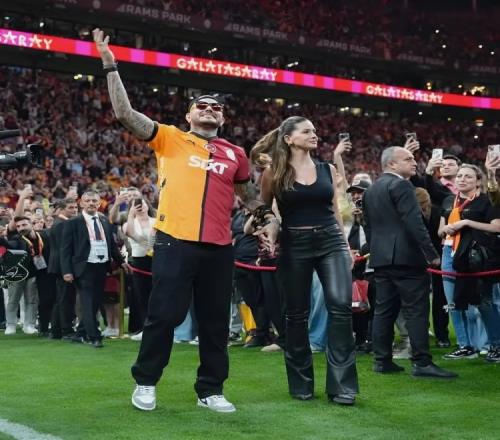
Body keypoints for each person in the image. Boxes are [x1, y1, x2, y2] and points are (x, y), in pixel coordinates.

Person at [93, 28, 274, 412]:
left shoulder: (236, 153)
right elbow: (125, 114)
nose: (210, 109)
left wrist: (267, 217)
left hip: (220, 247)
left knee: (214, 323)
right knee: (164, 316)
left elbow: (248, 196)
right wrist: (111, 66)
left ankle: (211, 390)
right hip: (175, 240)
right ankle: (146, 382)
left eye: (216, 107)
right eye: (202, 106)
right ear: (189, 114)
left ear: (223, 117)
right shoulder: (170, 137)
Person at [251, 116, 359, 406]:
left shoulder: (327, 169)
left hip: (331, 241)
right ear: (289, 138)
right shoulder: (273, 172)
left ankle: (342, 387)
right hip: (294, 243)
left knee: (341, 308)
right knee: (296, 315)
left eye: (314, 130)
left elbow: (335, 210)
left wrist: (345, 246)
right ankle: (301, 383)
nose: (314, 135)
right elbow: (262, 208)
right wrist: (267, 227)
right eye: (307, 131)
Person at [363, 146, 457, 379]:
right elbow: (414, 222)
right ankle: (422, 362)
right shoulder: (402, 186)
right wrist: (431, 254)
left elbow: (368, 226)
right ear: (392, 164)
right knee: (416, 310)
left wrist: (376, 252)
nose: (414, 162)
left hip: (381, 259)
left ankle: (382, 360)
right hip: (407, 259)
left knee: (384, 311)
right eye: (408, 159)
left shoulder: (371, 189)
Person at [438, 164, 500, 363]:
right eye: (460, 176)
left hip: (475, 256)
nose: (462, 179)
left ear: (478, 181)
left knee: (484, 303)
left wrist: (466, 223)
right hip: (449, 253)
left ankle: (496, 345)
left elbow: (496, 227)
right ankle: (465, 346)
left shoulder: (486, 201)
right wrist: (445, 230)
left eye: (468, 176)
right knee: (454, 304)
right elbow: (440, 231)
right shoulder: (449, 200)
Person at [60, 190, 128, 348]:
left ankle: (81, 332)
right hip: (84, 267)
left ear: (99, 203)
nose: (91, 203)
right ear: (81, 203)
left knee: (96, 301)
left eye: (94, 201)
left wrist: (121, 262)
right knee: (88, 302)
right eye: (88, 200)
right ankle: (94, 336)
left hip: (102, 266)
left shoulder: (104, 220)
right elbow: (65, 250)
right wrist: (67, 271)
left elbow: (111, 245)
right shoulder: (73, 222)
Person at [122, 197, 156, 341]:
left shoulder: (155, 221)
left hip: (156, 260)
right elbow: (130, 233)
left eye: (143, 203)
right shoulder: (129, 223)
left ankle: (156, 327)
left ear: (148, 205)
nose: (140, 206)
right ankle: (144, 328)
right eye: (136, 205)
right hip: (139, 262)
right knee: (141, 296)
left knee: (156, 295)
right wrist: (131, 214)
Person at [47, 198, 79, 339]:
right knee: (65, 298)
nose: (74, 210)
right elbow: (64, 249)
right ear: (61, 209)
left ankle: (56, 330)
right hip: (62, 266)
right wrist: (67, 269)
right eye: (70, 207)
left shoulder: (60, 222)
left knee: (61, 298)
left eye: (76, 207)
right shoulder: (62, 224)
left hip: (59, 265)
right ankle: (66, 330)